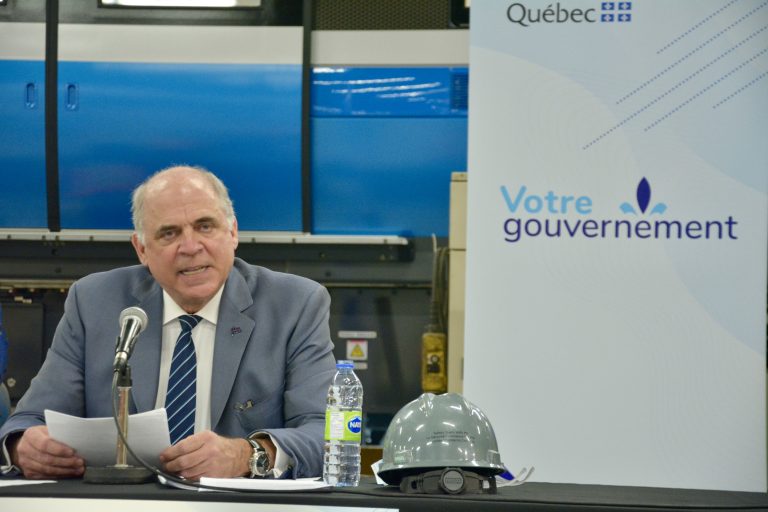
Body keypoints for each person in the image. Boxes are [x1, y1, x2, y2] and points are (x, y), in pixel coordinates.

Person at [0, 165, 336, 480]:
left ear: (232, 232)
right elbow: (27, 421)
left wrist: (247, 455)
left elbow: (327, 433)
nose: (190, 247)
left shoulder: (295, 305)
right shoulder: (93, 302)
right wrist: (23, 447)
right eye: (169, 233)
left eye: (205, 226)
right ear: (142, 249)